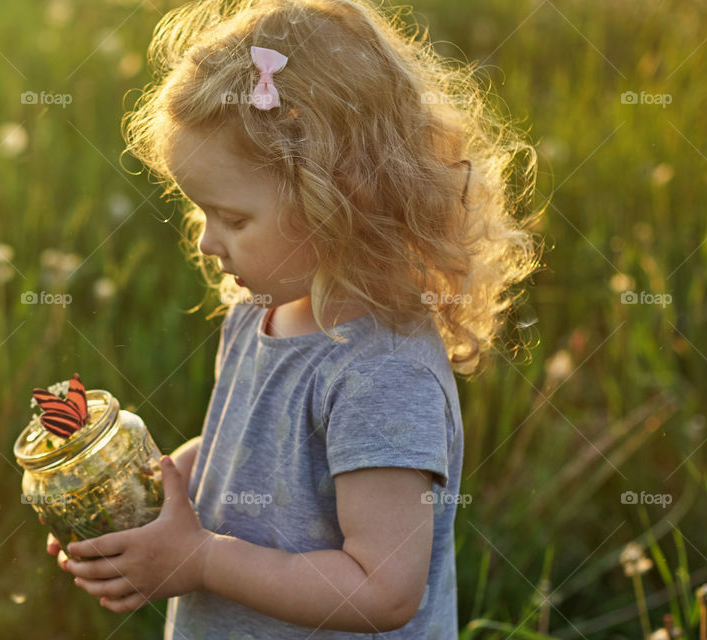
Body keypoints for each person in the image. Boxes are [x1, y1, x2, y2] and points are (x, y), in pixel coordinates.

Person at [47, 0, 543, 637]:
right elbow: (251, 452)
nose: (205, 243)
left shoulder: (382, 374)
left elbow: (383, 589)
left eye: (233, 218)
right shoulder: (261, 314)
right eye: (201, 213)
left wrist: (200, 560)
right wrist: (150, 495)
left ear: (336, 200)